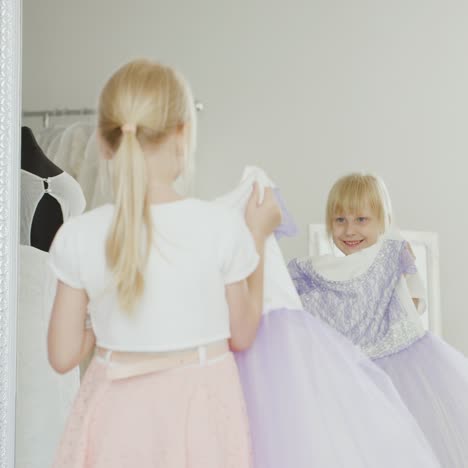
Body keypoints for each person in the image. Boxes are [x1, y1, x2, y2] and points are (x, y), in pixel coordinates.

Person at [47, 58, 281, 467]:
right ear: (183, 135)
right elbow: (243, 333)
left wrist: (101, 320)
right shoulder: (221, 227)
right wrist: (257, 238)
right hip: (199, 414)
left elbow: (63, 354)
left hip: (113, 416)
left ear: (104, 143)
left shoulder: (78, 236)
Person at [289, 173, 468, 467]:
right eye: (340, 220)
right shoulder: (311, 273)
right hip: (341, 380)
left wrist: (395, 306)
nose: (349, 230)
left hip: (400, 375)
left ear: (382, 221)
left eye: (362, 219)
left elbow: (415, 303)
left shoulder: (392, 252)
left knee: (401, 446)